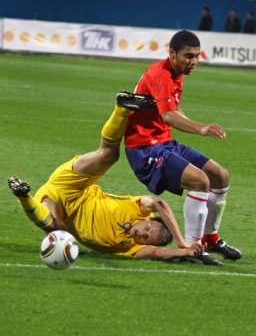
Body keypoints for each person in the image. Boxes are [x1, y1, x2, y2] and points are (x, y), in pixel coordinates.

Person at [8, 94, 206, 263]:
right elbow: (160, 203)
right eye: (147, 228)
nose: (142, 234)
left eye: (146, 238)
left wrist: (184, 252)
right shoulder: (137, 208)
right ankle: (122, 107)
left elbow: (155, 253)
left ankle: (23, 195)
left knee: (58, 231)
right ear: (149, 218)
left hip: (56, 209)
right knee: (109, 155)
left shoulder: (128, 248)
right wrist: (182, 241)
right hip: (75, 186)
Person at [116, 30, 242, 265]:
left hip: (164, 142)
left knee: (220, 176)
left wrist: (183, 118)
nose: (193, 62)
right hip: (145, 149)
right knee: (200, 181)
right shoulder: (161, 74)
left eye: (196, 56)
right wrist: (202, 128)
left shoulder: (177, 72)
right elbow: (169, 115)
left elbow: (172, 108)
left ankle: (211, 239)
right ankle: (193, 249)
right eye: (188, 56)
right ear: (172, 53)